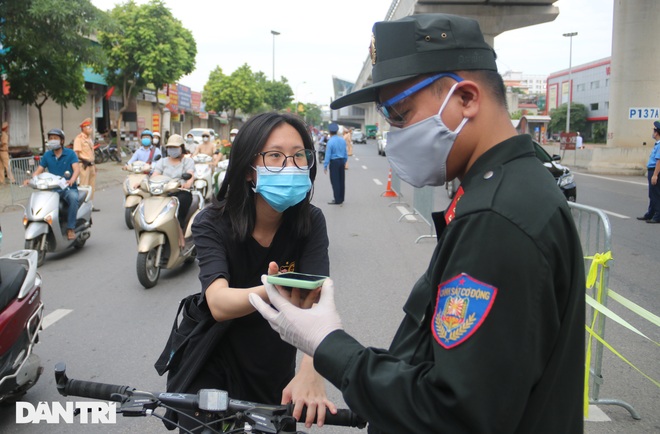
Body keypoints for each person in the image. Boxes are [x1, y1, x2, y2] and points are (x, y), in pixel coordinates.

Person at [250, 13, 586, 434]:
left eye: (401, 114)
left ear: (466, 98)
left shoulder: (496, 218)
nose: (394, 135)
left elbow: (453, 413)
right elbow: (445, 367)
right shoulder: (506, 186)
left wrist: (328, 345)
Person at [189, 112, 335, 429]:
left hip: (274, 363)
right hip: (215, 360)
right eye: (275, 156)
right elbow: (218, 303)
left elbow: (317, 303)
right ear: (247, 169)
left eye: (299, 156)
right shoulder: (212, 222)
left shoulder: (310, 222)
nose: (290, 166)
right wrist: (274, 288)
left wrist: (311, 369)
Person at [24, 129, 80, 240]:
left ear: (62, 141)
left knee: (73, 198)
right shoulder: (47, 155)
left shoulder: (70, 153)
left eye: (55, 138)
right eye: (50, 138)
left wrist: (72, 179)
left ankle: (70, 228)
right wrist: (31, 180)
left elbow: (76, 169)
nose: (52, 141)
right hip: (52, 189)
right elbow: (39, 170)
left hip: (67, 188)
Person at [152, 134, 194, 247]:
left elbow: (191, 175)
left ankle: (181, 238)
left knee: (175, 213)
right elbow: (155, 175)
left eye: (175, 147)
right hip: (163, 193)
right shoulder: (162, 161)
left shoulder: (187, 161)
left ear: (181, 148)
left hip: (181, 192)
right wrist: (146, 182)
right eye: (170, 147)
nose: (172, 150)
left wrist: (187, 184)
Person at [73, 118, 99, 211]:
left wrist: (95, 166)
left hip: (91, 165)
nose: (90, 128)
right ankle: (82, 205)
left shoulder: (89, 139)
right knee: (84, 186)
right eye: (88, 126)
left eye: (90, 126)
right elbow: (76, 154)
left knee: (92, 186)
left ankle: (90, 205)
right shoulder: (79, 139)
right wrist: (75, 167)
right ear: (83, 128)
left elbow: (91, 154)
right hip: (83, 165)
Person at [637, 121, 660, 223]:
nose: (653, 132)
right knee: (652, 194)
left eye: (654, 130)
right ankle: (650, 214)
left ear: (657, 132)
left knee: (655, 194)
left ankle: (658, 216)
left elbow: (659, 160)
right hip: (652, 170)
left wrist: (655, 175)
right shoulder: (657, 144)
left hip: (655, 171)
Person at [323, 123, 347, 205]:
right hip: (341, 161)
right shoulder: (342, 140)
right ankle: (341, 198)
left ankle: (337, 199)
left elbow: (328, 154)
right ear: (337, 131)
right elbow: (345, 152)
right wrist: (344, 161)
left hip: (334, 162)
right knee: (341, 180)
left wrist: (325, 165)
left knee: (335, 181)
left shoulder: (330, 141)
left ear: (330, 131)